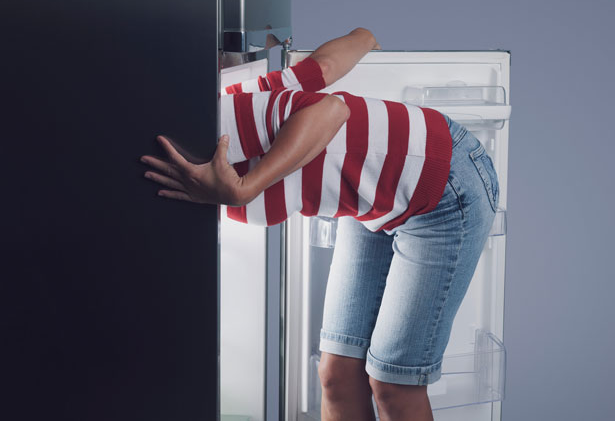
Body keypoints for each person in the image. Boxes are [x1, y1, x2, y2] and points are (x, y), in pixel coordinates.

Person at [140, 27, 500, 421]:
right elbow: (323, 67)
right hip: (379, 199)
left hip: (442, 186)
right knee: (336, 376)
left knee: (394, 386)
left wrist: (246, 188)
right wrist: (364, 38)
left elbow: (331, 111)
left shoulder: (217, 125)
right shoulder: (219, 123)